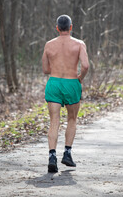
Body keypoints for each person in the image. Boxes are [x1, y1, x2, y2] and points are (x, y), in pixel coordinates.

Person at [42, 14, 89, 173]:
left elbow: (45, 70)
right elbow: (86, 66)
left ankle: (52, 156)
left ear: (57, 28)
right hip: (71, 83)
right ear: (70, 27)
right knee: (71, 118)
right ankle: (67, 153)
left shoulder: (49, 45)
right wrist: (79, 79)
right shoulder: (79, 44)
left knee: (54, 120)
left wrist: (56, 68)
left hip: (54, 83)